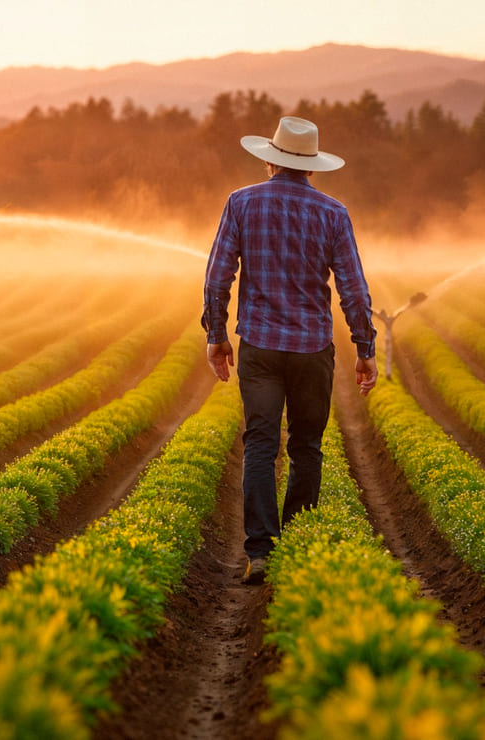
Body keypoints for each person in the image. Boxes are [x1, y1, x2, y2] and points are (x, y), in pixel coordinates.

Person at [201, 116, 378, 585]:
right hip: (311, 349)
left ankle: (260, 552)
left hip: (259, 345)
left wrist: (216, 336)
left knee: (260, 443)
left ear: (268, 160)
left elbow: (218, 278)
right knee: (306, 447)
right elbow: (354, 291)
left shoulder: (241, 203)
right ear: (314, 169)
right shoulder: (333, 213)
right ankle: (297, 546)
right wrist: (365, 347)